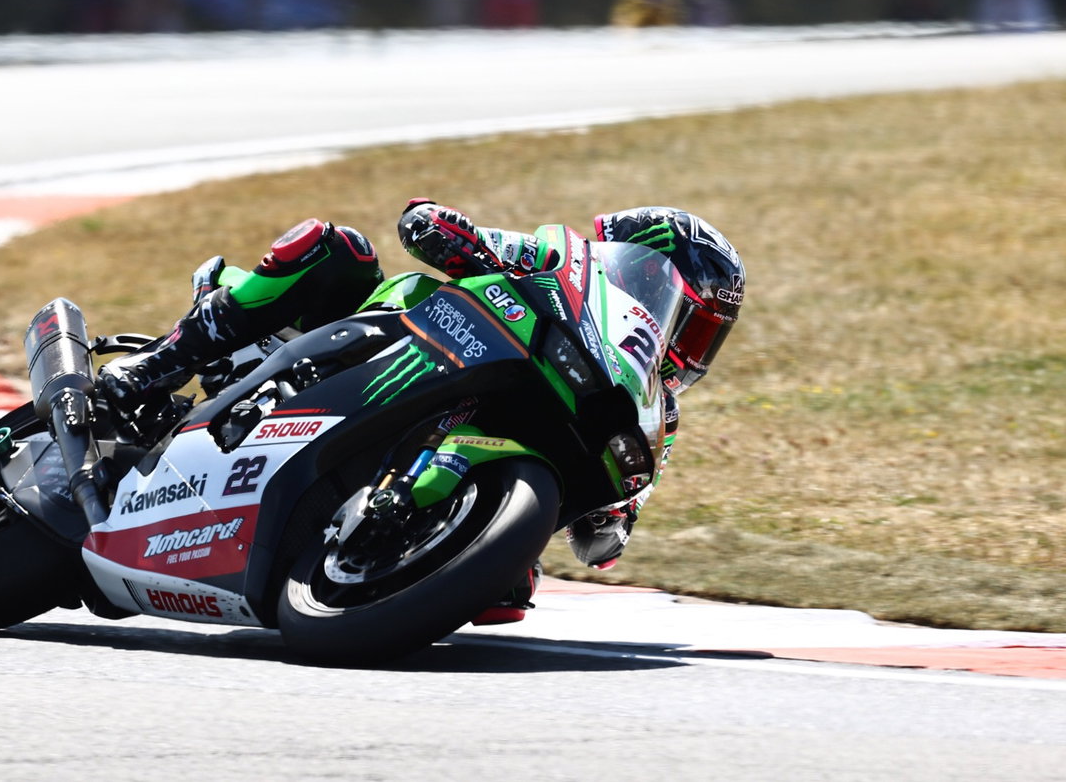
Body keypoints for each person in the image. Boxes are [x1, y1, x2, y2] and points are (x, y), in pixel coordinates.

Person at [98, 201, 746, 622]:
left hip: (478, 446)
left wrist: (606, 518)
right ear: (656, 282)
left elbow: (601, 538)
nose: (689, 348)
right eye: (692, 324)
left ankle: (387, 546)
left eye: (703, 337)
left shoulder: (652, 412)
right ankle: (156, 365)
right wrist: (450, 232)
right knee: (330, 245)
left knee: (508, 594)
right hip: (401, 337)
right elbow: (434, 226)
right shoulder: (560, 262)